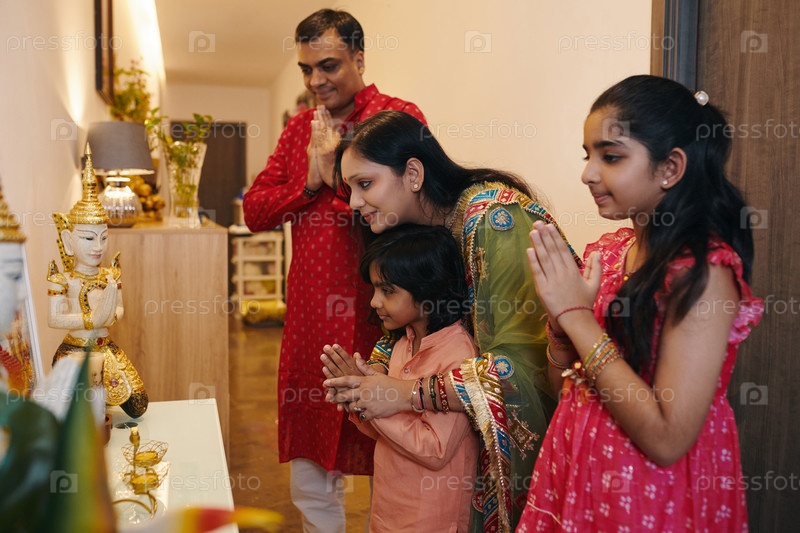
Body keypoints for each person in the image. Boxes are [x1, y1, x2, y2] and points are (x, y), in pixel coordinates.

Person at [518, 75, 763, 531]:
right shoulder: (609, 254)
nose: (588, 174)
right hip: (581, 472)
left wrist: (577, 317)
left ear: (670, 167)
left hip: (652, 493)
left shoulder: (703, 274)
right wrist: (560, 327)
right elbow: (568, 387)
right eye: (588, 156)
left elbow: (668, 439)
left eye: (610, 157)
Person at [321, 110, 577, 532]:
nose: (353, 203)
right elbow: (412, 324)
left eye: (365, 184)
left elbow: (520, 368)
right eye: (349, 189)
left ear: (413, 174)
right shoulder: (414, 230)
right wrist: (374, 375)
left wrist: (406, 393)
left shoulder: (494, 220)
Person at [241, 9, 425, 532]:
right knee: (311, 471)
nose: (315, 80)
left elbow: (418, 205)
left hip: (383, 312)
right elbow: (254, 212)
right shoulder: (299, 128)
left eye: (328, 65)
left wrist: (338, 179)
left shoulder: (397, 118)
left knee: (392, 454)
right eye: (306, 68)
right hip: (310, 320)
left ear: (359, 59)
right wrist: (309, 182)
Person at [335, 223, 479, 532]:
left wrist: (373, 401)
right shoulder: (403, 343)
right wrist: (356, 398)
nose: (374, 302)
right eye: (375, 289)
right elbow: (385, 432)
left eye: (387, 291)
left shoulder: (458, 353)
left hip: (431, 515)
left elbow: (434, 449)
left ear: (427, 291)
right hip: (389, 507)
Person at [47, 147, 148, 418]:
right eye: (89, 238)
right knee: (76, 413)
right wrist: (92, 319)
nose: (98, 247)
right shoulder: (63, 279)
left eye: (103, 238)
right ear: (68, 240)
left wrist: (110, 314)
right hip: (76, 351)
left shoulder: (109, 275)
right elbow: (54, 318)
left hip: (106, 346)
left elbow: (120, 309)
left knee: (138, 404)